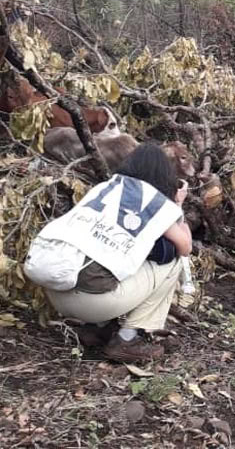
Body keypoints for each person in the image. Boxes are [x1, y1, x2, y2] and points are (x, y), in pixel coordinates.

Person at [27, 143, 192, 363]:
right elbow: (185, 247)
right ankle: (128, 339)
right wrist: (178, 204)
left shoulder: (105, 188)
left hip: (55, 291)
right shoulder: (156, 203)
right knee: (171, 262)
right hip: (94, 303)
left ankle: (97, 328)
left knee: (106, 253)